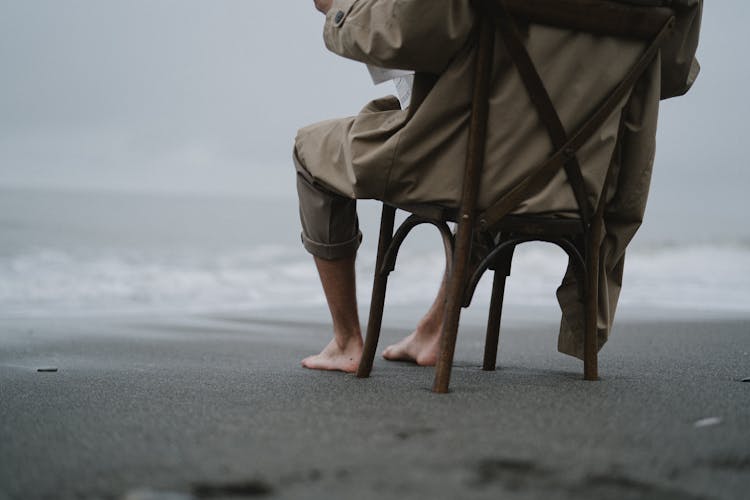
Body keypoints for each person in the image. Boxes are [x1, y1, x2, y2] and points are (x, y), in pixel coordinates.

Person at [295, 0, 701, 373]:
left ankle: (347, 342)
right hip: (580, 172)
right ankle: (435, 328)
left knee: (310, 151)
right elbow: (674, 71)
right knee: (501, 175)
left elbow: (412, 34)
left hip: (473, 156)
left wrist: (340, 11)